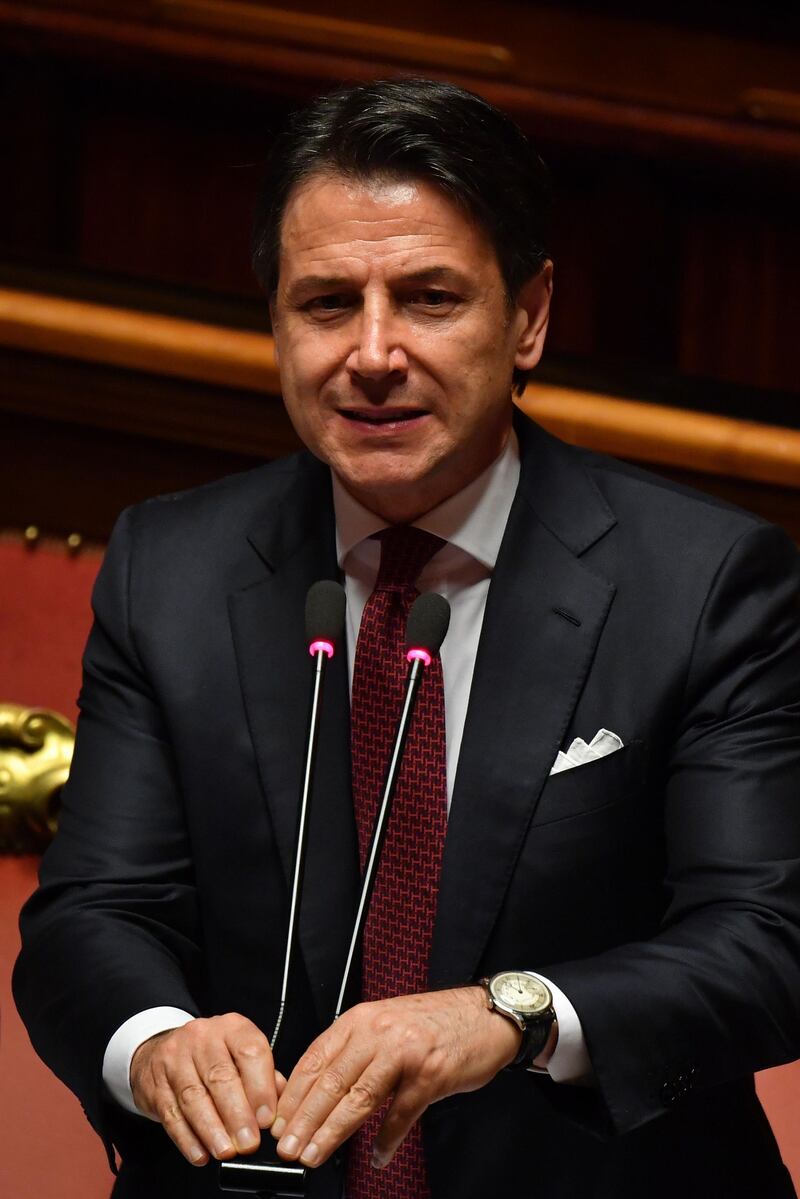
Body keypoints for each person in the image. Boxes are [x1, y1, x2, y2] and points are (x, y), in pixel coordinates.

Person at [14, 78, 800, 1199]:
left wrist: (509, 1014)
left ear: (527, 316)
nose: (371, 354)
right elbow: (95, 910)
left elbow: (765, 937)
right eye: (326, 303)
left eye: (428, 298)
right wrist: (153, 1041)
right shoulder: (171, 566)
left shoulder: (704, 580)